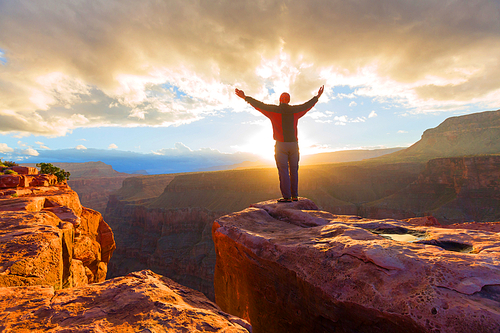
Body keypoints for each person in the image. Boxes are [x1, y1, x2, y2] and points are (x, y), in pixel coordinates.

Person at [235, 85, 324, 203]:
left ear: (280, 100)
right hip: (293, 145)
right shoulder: (295, 111)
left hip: (281, 145)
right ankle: (295, 196)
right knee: (294, 170)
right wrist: (317, 96)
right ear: (289, 101)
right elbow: (307, 106)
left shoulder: (273, 110)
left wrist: (245, 97)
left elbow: (259, 105)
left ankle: (287, 197)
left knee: (283, 171)